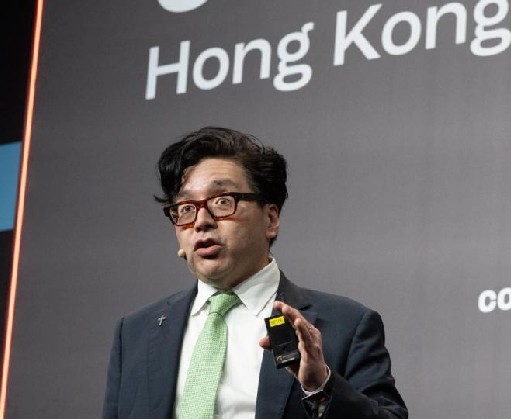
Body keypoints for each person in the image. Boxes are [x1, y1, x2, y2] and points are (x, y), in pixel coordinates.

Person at [102, 127, 407, 419]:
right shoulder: (136, 332)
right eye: (185, 208)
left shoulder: (346, 325)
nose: (201, 221)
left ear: (270, 219)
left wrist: (321, 388)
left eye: (222, 201)